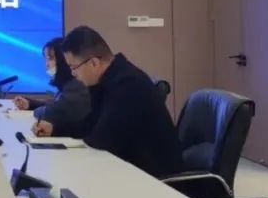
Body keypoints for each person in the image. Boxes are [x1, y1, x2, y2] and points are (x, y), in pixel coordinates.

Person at [34, 26, 182, 178]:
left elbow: (101, 140)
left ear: (94, 63)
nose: (73, 74)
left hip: (154, 178)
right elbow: (90, 125)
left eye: (74, 67)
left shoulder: (127, 85)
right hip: (130, 169)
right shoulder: (106, 81)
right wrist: (55, 129)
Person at [13, 37, 91, 130]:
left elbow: (51, 113)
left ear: (64, 60)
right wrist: (30, 104)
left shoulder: (76, 86)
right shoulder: (68, 85)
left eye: (50, 58)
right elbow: (55, 104)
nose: (47, 64)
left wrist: (36, 111)